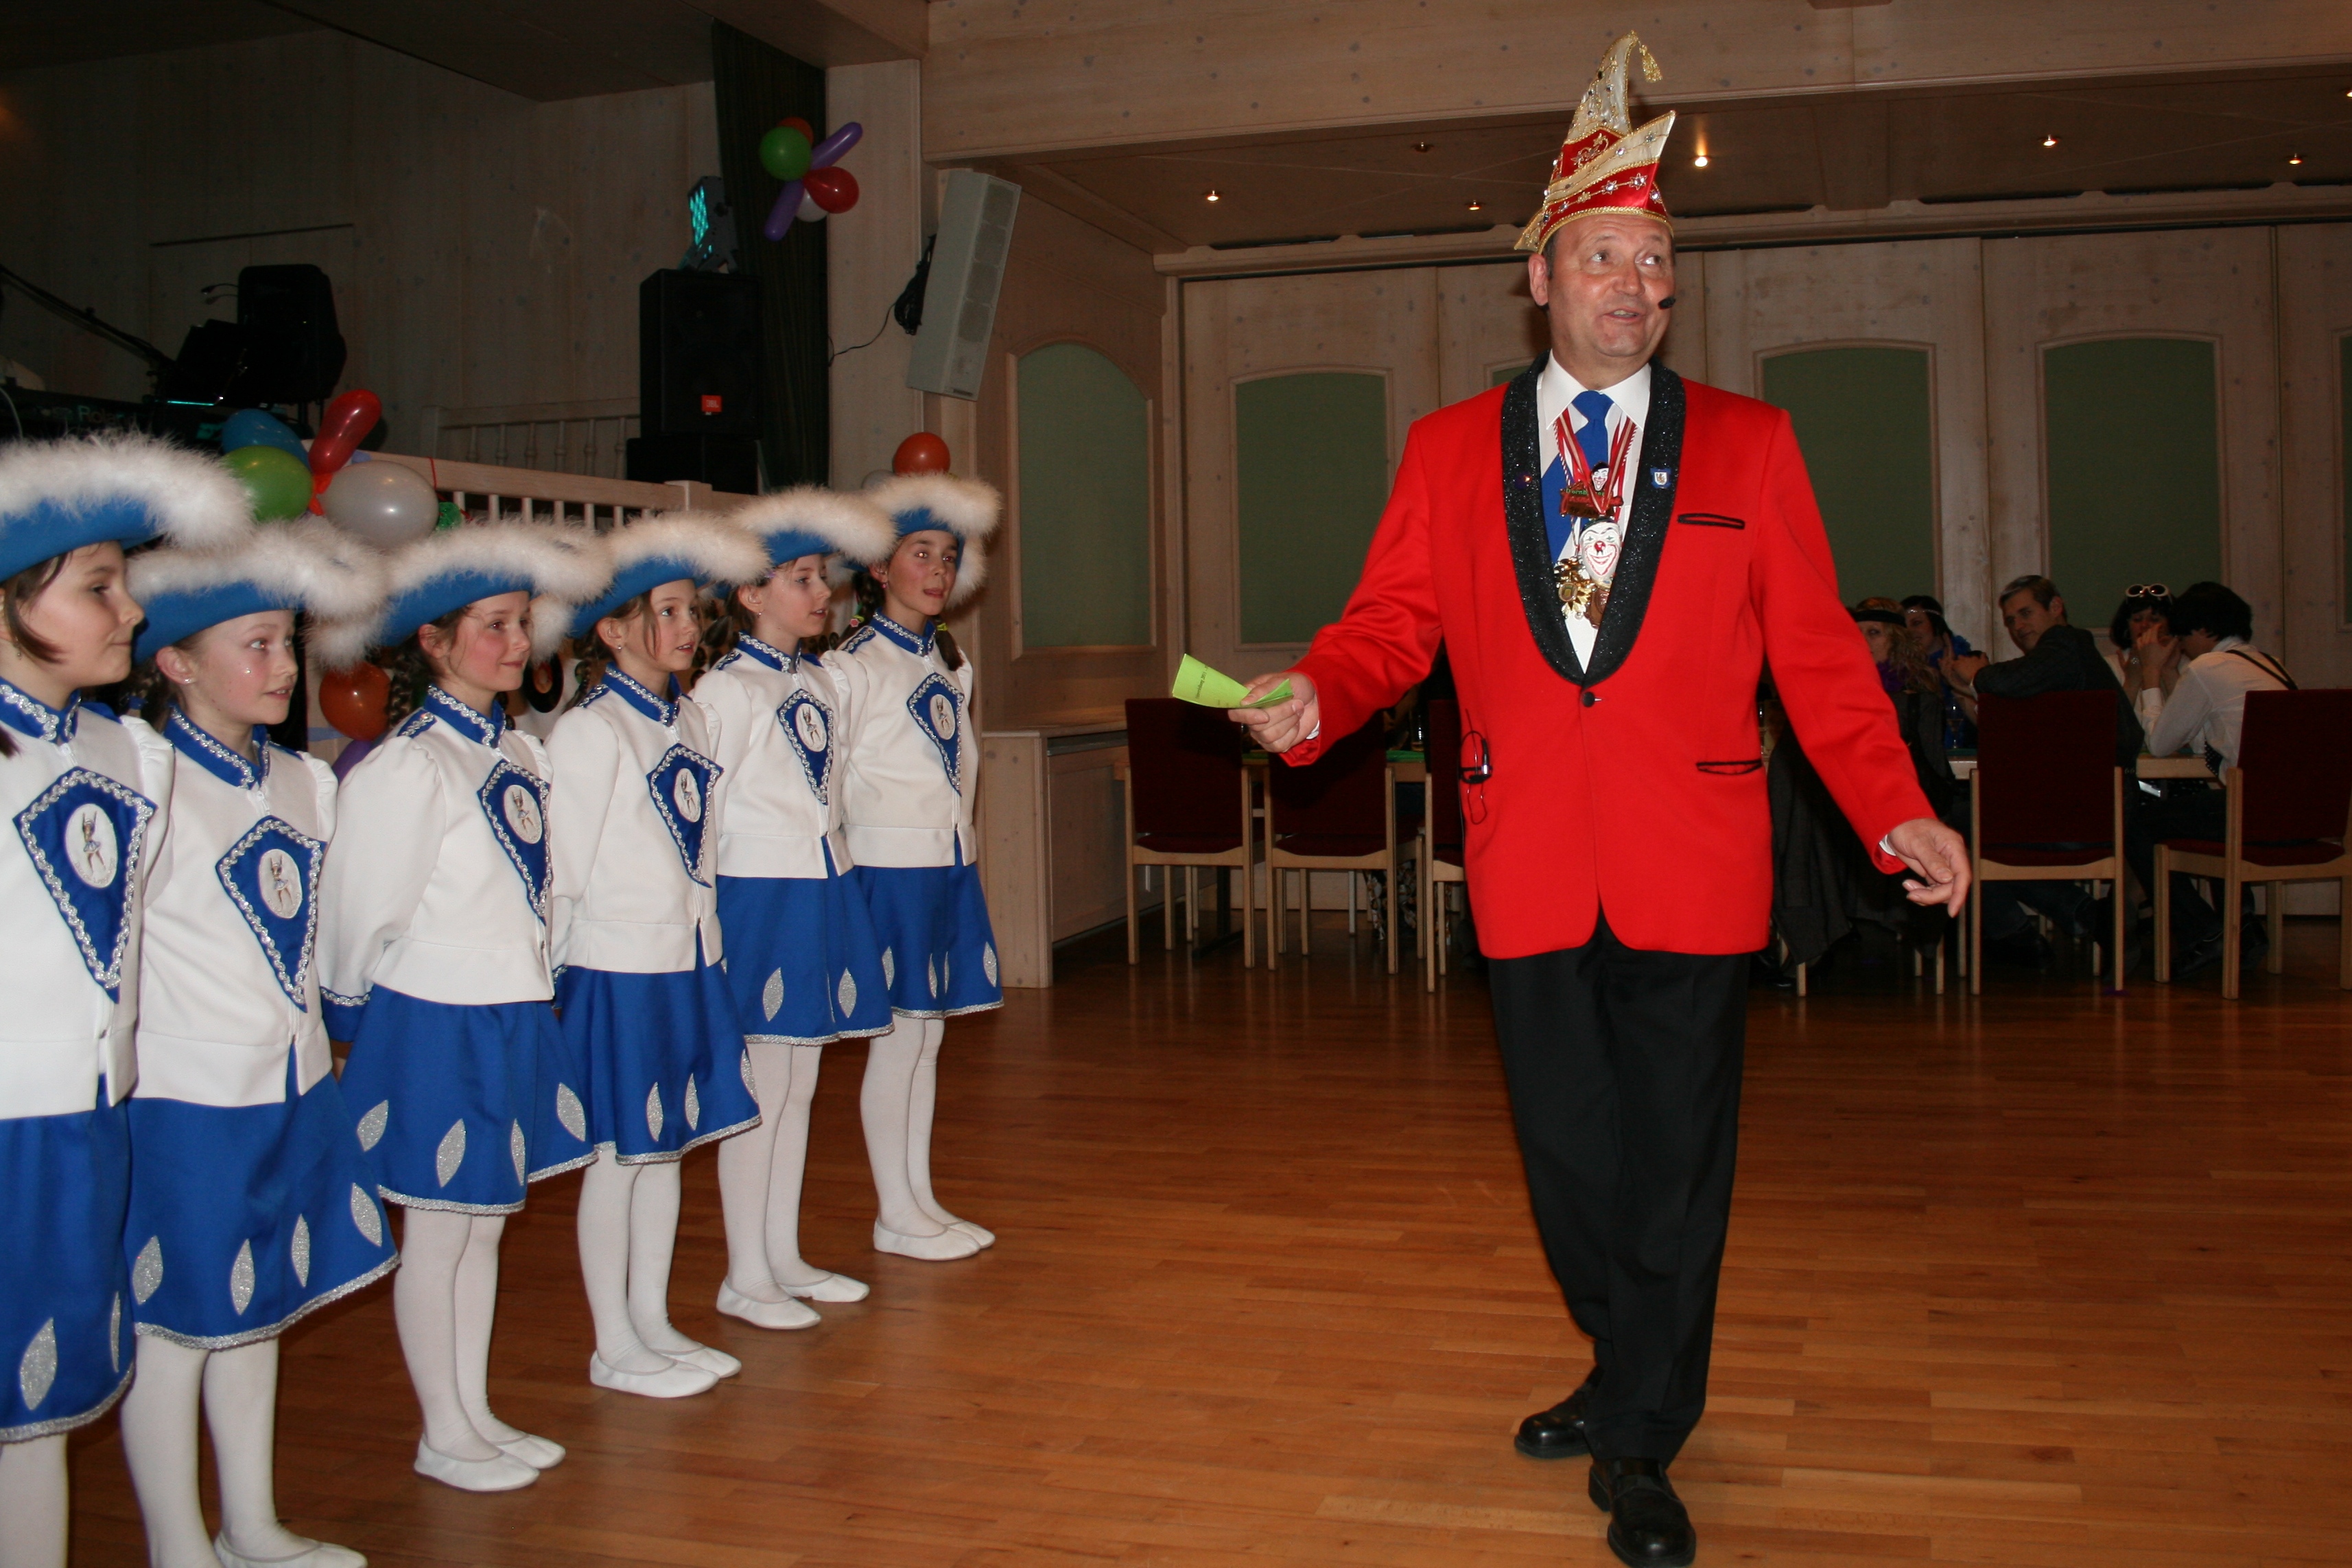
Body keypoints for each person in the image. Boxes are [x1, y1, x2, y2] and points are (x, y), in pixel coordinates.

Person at [1226, 36, 1968, 1568]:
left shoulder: (1751, 447)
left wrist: (1894, 806)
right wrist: (1321, 693)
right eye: (1605, 258)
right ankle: (1622, 1356)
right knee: (1568, 1163)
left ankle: (1639, 1439)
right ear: (1540, 278)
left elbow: (1819, 659)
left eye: (1656, 262)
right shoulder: (1448, 452)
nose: (1636, 286)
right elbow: (1389, 629)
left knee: (1673, 1167)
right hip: (1527, 861)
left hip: (1693, 858)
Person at [117, 524, 395, 1568]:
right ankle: (177, 1544)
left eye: (287, 644)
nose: (283, 667)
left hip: (288, 1081)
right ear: (177, 662)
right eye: (256, 646)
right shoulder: (143, 781)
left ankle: (252, 1523)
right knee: (174, 1328)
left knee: (258, 1307)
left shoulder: (304, 783)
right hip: (184, 1097)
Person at [316, 521, 611, 1493]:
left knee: (487, 1219)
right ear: (434, 641)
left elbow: (544, 886)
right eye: (493, 625)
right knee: (441, 1229)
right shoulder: (409, 764)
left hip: (511, 1010)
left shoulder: (518, 752)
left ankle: (474, 1408)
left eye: (523, 623)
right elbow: (359, 910)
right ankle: (440, 1428)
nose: (517, 642)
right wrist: (351, 1022)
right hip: (436, 1019)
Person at [0, 433, 245, 1568]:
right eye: (98, 587)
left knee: (43, 1405)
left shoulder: (131, 756)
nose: (132, 611)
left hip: (90, 1120)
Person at [547, 513, 768, 1399]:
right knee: (618, 1157)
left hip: (685, 961)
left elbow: (699, 856)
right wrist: (554, 982)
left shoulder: (687, 722)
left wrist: (708, 948)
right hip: (616, 973)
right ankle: (612, 1339)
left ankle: (652, 1317)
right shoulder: (590, 731)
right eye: (666, 612)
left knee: (668, 1147)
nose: (686, 627)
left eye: (690, 611)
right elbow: (563, 873)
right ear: (611, 630)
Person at [696, 490, 897, 1328]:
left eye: (822, 578)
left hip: (820, 887)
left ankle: (781, 1255)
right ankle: (744, 1273)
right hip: (759, 896)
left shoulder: (816, 680)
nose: (822, 594)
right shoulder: (724, 692)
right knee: (763, 1087)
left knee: (800, 1083)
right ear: (750, 594)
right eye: (801, 579)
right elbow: (704, 819)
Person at [832, 473, 1005, 1263]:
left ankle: (918, 1197)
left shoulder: (946, 661)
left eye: (948, 556)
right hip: (886, 871)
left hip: (943, 864)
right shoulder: (851, 668)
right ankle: (893, 1211)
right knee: (899, 1041)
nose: (937, 571)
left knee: (927, 1039)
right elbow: (827, 787)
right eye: (919, 554)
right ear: (878, 567)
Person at [2124, 581, 2293, 978]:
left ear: (2202, 630)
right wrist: (2170, 674)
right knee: (2200, 812)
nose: (2181, 646)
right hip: (2298, 815)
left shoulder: (2209, 668)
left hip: (2253, 814)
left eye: (2183, 637)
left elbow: (2160, 744)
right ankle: (2242, 924)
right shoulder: (2269, 663)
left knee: (2134, 823)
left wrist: (2151, 673)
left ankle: (2203, 931)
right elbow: (2202, 742)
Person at [1945, 575, 2143, 768]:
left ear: (2055, 607)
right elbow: (2015, 727)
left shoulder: (2066, 643)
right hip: (2081, 781)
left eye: (2026, 613)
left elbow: (2009, 682)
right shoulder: (2055, 660)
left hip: (2099, 785)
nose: (2018, 626)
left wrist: (1978, 674)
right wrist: (1970, 688)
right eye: (2011, 621)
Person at [1899, 594, 1975, 749]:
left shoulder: (1972, 662)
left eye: (1917, 623)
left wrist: (1954, 682)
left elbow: (1988, 720)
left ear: (1936, 624)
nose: (1910, 632)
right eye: (1904, 627)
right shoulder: (1901, 674)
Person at [2104, 585, 2174, 730]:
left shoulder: (2184, 664)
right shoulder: (2110, 665)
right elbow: (2109, 727)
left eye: (2154, 619)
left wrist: (2168, 671)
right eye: (2137, 620)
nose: (2145, 625)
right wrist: (2132, 680)